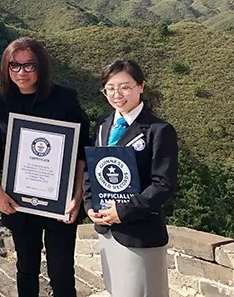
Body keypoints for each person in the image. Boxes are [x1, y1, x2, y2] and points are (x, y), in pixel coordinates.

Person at [0, 36, 89, 297]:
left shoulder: (65, 99)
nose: (21, 72)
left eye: (29, 65)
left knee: (62, 273)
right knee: (26, 269)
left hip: (60, 204)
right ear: (6, 68)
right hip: (19, 202)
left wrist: (77, 196)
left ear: (41, 66)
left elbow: (81, 150)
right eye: (14, 66)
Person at [84, 59, 178, 297]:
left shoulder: (159, 130)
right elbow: (93, 171)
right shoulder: (104, 125)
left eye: (125, 87)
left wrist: (123, 211)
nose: (117, 94)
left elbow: (163, 184)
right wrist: (89, 205)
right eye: (110, 88)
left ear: (141, 86)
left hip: (140, 234)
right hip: (107, 231)